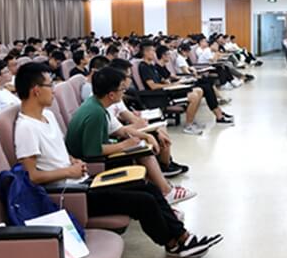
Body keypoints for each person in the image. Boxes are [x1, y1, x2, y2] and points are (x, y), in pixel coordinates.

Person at [13, 63, 219, 258]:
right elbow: (32, 176)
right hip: (71, 193)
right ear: (36, 90)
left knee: (148, 188)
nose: (54, 90)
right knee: (143, 201)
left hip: (81, 180)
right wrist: (69, 172)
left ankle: (183, 237)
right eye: (50, 85)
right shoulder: (26, 128)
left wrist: (73, 161)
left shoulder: (48, 116)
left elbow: (59, 153)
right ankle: (172, 243)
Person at [65, 65, 195, 204]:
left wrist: (146, 136)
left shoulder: (97, 105)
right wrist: (125, 145)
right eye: (122, 89)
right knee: (142, 152)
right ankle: (165, 192)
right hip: (90, 163)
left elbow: (119, 130)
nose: (124, 92)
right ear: (111, 95)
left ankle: (163, 191)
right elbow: (92, 151)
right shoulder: (96, 113)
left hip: (95, 155)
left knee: (141, 147)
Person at [155, 46, 234, 125]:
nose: (170, 56)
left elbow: (172, 76)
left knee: (208, 84)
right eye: (168, 54)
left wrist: (184, 78)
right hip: (173, 89)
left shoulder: (163, 66)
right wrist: (177, 82)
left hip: (178, 84)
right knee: (206, 87)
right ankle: (219, 114)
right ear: (163, 55)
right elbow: (165, 82)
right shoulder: (157, 68)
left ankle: (219, 112)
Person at [138, 42, 205, 135]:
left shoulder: (151, 66)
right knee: (194, 96)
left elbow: (161, 79)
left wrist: (174, 83)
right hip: (160, 95)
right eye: (152, 51)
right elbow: (152, 86)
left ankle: (192, 120)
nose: (154, 53)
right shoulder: (143, 67)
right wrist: (171, 85)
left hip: (166, 90)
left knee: (199, 90)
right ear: (145, 52)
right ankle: (188, 126)